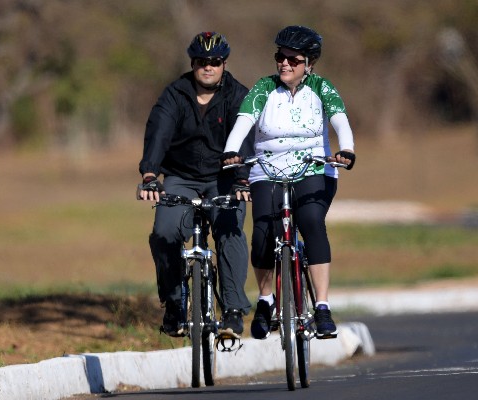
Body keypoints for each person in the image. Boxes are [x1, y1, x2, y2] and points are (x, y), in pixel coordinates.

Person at [222, 25, 356, 340]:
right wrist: (231, 150)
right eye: (279, 57)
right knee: (263, 235)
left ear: (308, 63)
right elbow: (244, 122)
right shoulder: (263, 89)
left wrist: (346, 149)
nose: (284, 64)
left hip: (313, 169)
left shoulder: (322, 88)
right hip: (267, 168)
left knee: (310, 222)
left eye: (292, 60)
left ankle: (322, 307)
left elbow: (340, 121)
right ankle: (266, 299)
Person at [138, 31, 254, 338]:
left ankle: (231, 309)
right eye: (202, 62)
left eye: (215, 62)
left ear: (224, 64)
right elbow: (158, 133)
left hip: (225, 178)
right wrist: (150, 174)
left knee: (230, 230)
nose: (208, 67)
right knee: (163, 231)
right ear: (193, 63)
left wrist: (243, 178)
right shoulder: (175, 94)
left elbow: (245, 136)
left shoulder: (237, 94)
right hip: (180, 177)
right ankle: (174, 305)